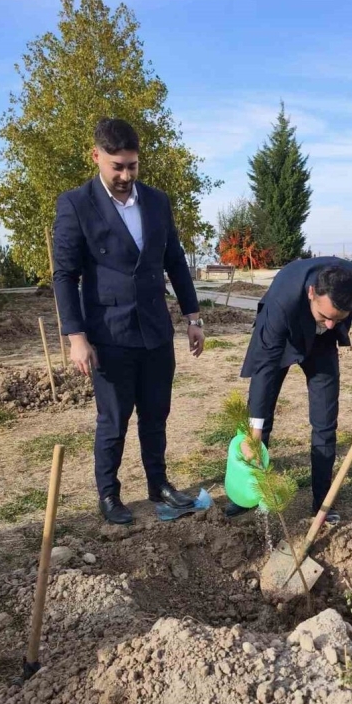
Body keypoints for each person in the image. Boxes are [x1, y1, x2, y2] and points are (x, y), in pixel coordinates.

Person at [53, 118, 205, 525]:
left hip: (155, 330)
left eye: (132, 166)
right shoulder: (76, 204)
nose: (125, 175)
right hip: (109, 334)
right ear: (96, 156)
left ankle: (158, 484)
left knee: (156, 414)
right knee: (113, 421)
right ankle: (109, 493)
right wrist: (76, 336)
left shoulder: (157, 201)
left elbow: (175, 261)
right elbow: (65, 275)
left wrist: (193, 316)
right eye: (117, 166)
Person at [228, 257, 352, 524]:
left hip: (322, 347)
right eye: (325, 316)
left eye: (339, 318)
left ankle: (322, 502)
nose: (331, 324)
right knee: (259, 422)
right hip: (283, 336)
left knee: (325, 422)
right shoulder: (283, 298)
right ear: (312, 292)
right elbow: (264, 370)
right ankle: (247, 491)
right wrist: (254, 434)